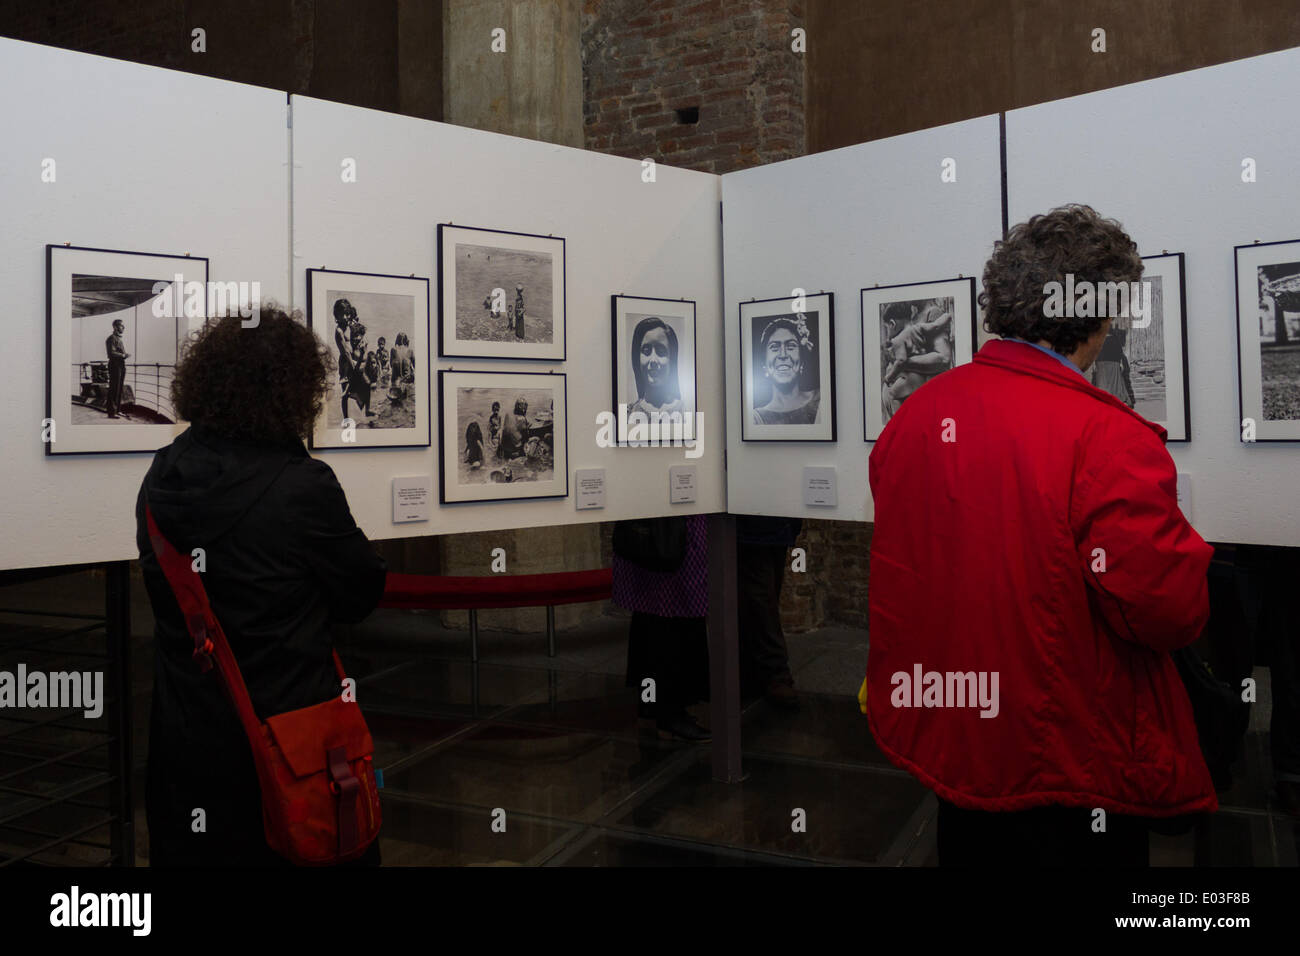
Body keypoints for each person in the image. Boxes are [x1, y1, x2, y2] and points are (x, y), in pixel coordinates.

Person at [865, 204, 1216, 867]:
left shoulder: (917, 416)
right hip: (1064, 756)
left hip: (957, 738)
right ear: (1099, 312)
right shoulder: (1107, 438)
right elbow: (1169, 611)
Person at [135, 305, 386, 866]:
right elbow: (361, 593)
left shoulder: (161, 476)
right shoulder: (303, 485)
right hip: (290, 748)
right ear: (295, 388)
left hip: (187, 742)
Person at [612, 515, 711, 740]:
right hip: (667, 539)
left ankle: (652, 707)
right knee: (668, 627)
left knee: (656, 622)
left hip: (663, 538)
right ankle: (669, 713)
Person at [736, 516, 802, 707]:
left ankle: (753, 673)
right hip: (754, 526)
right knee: (761, 600)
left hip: (775, 524)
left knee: (763, 599)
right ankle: (775, 673)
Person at [881, 299, 953, 420]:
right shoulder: (914, 321)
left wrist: (897, 368)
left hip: (913, 395)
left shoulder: (932, 312)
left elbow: (943, 358)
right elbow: (935, 326)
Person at [753, 315, 820, 425]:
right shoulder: (755, 419)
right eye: (774, 347)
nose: (783, 355)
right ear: (764, 363)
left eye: (791, 346)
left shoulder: (822, 400)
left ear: (801, 360)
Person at [628, 316, 685, 421]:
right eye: (646, 351)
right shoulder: (629, 414)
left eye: (661, 351)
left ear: (672, 359)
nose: (653, 360)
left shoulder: (686, 412)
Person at [1090, 325, 1136, 407]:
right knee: (1114, 384)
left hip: (1103, 365)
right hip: (1112, 364)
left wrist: (1094, 363)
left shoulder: (1099, 340)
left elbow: (1094, 353)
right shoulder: (1115, 340)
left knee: (1103, 384)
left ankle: (1105, 400)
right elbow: (1119, 353)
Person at [105, 318, 129, 418]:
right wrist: (123, 355)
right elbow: (111, 353)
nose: (123, 327)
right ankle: (111, 412)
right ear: (115, 327)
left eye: (123, 326)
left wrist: (123, 356)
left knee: (119, 389)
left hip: (120, 365)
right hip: (115, 365)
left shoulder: (118, 339)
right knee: (114, 388)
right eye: (121, 325)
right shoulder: (111, 338)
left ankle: (118, 410)